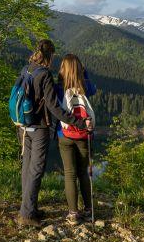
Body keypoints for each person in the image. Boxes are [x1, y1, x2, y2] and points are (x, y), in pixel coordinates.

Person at [17, 39, 93, 227]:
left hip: (24, 126)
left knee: (28, 168)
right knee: (37, 169)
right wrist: (80, 123)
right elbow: (54, 108)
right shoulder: (45, 75)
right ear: (50, 56)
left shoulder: (27, 69)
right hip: (42, 128)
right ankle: (27, 214)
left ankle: (30, 208)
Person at [55, 54, 96, 225]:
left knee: (70, 174)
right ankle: (88, 210)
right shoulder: (85, 87)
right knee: (83, 173)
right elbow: (94, 88)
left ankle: (73, 213)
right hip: (83, 135)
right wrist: (84, 74)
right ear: (79, 69)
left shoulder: (58, 87)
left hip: (64, 135)